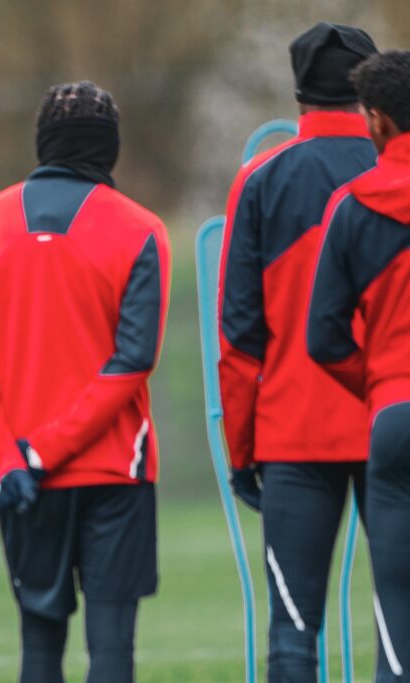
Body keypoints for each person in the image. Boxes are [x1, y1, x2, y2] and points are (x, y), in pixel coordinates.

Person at [0, 81, 170, 683]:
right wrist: (45, 451)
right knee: (112, 649)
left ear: (43, 143)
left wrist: (8, 458)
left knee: (39, 647)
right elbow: (133, 360)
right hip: (116, 470)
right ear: (110, 149)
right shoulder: (143, 229)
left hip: (20, 478)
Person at [217, 23, 377, 680]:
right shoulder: (392, 171)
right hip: (390, 417)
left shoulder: (259, 177)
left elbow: (239, 332)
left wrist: (241, 445)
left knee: (293, 628)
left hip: (293, 429)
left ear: (300, 94)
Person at [308, 49, 410, 683]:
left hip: (395, 414)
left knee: (397, 609)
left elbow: (324, 337)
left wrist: (378, 385)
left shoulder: (351, 207)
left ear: (375, 120)